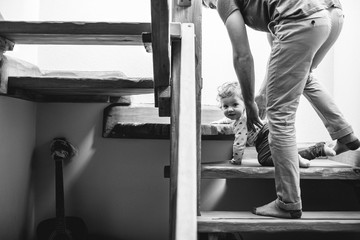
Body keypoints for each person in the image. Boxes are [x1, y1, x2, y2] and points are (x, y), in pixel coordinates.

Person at [202, 0, 360, 219]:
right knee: (302, 76)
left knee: (280, 115)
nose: (210, 7)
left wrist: (250, 103)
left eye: (206, 4)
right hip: (329, 15)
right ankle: (344, 134)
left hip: (302, 19)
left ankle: (288, 202)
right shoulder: (271, 17)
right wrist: (259, 96)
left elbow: (242, 55)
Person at [212, 81, 336, 167]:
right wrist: (217, 123)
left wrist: (236, 160)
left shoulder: (242, 122)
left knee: (264, 159)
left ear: (244, 104)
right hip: (270, 131)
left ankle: (295, 159)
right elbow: (227, 120)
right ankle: (319, 150)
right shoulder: (239, 117)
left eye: (234, 104)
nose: (230, 109)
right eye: (225, 106)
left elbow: (239, 143)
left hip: (264, 136)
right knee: (285, 154)